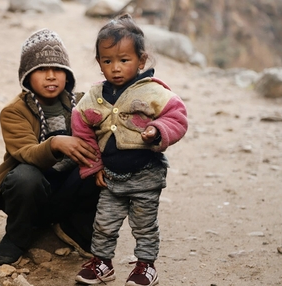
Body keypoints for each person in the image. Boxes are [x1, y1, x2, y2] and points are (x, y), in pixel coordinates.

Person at [72, 14, 188, 286]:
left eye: (124, 60)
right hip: (111, 177)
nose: (115, 68)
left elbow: (177, 117)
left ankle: (145, 266)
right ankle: (102, 262)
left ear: (141, 60)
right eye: (107, 61)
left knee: (144, 226)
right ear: (99, 62)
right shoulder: (95, 95)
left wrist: (158, 130)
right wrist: (92, 165)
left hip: (146, 175)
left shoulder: (154, 93)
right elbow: (81, 124)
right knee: (104, 224)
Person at [0, 28, 101, 265]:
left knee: (102, 164)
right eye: (41, 70)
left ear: (67, 75)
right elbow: (26, 152)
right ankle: (18, 234)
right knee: (24, 176)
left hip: (68, 189)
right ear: (27, 77)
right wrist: (55, 143)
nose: (51, 76)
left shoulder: (82, 102)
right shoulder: (14, 111)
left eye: (58, 69)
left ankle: (73, 227)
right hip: (32, 192)